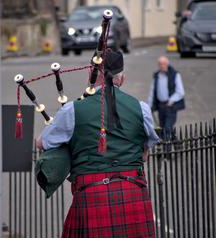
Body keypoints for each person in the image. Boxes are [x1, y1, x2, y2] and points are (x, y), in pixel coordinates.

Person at [36, 51, 159, 238]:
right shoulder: (141, 109)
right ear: (122, 78)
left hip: (92, 193)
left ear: (91, 74)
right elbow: (144, 153)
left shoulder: (72, 110)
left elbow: (42, 143)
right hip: (133, 192)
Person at [148, 56, 185, 138]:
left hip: (170, 106)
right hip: (161, 106)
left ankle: (166, 149)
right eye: (160, 64)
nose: (162, 66)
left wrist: (171, 100)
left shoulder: (175, 74)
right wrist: (149, 106)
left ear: (167, 64)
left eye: (164, 64)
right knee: (163, 128)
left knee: (167, 128)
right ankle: (177, 145)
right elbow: (152, 91)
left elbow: (180, 91)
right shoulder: (156, 75)